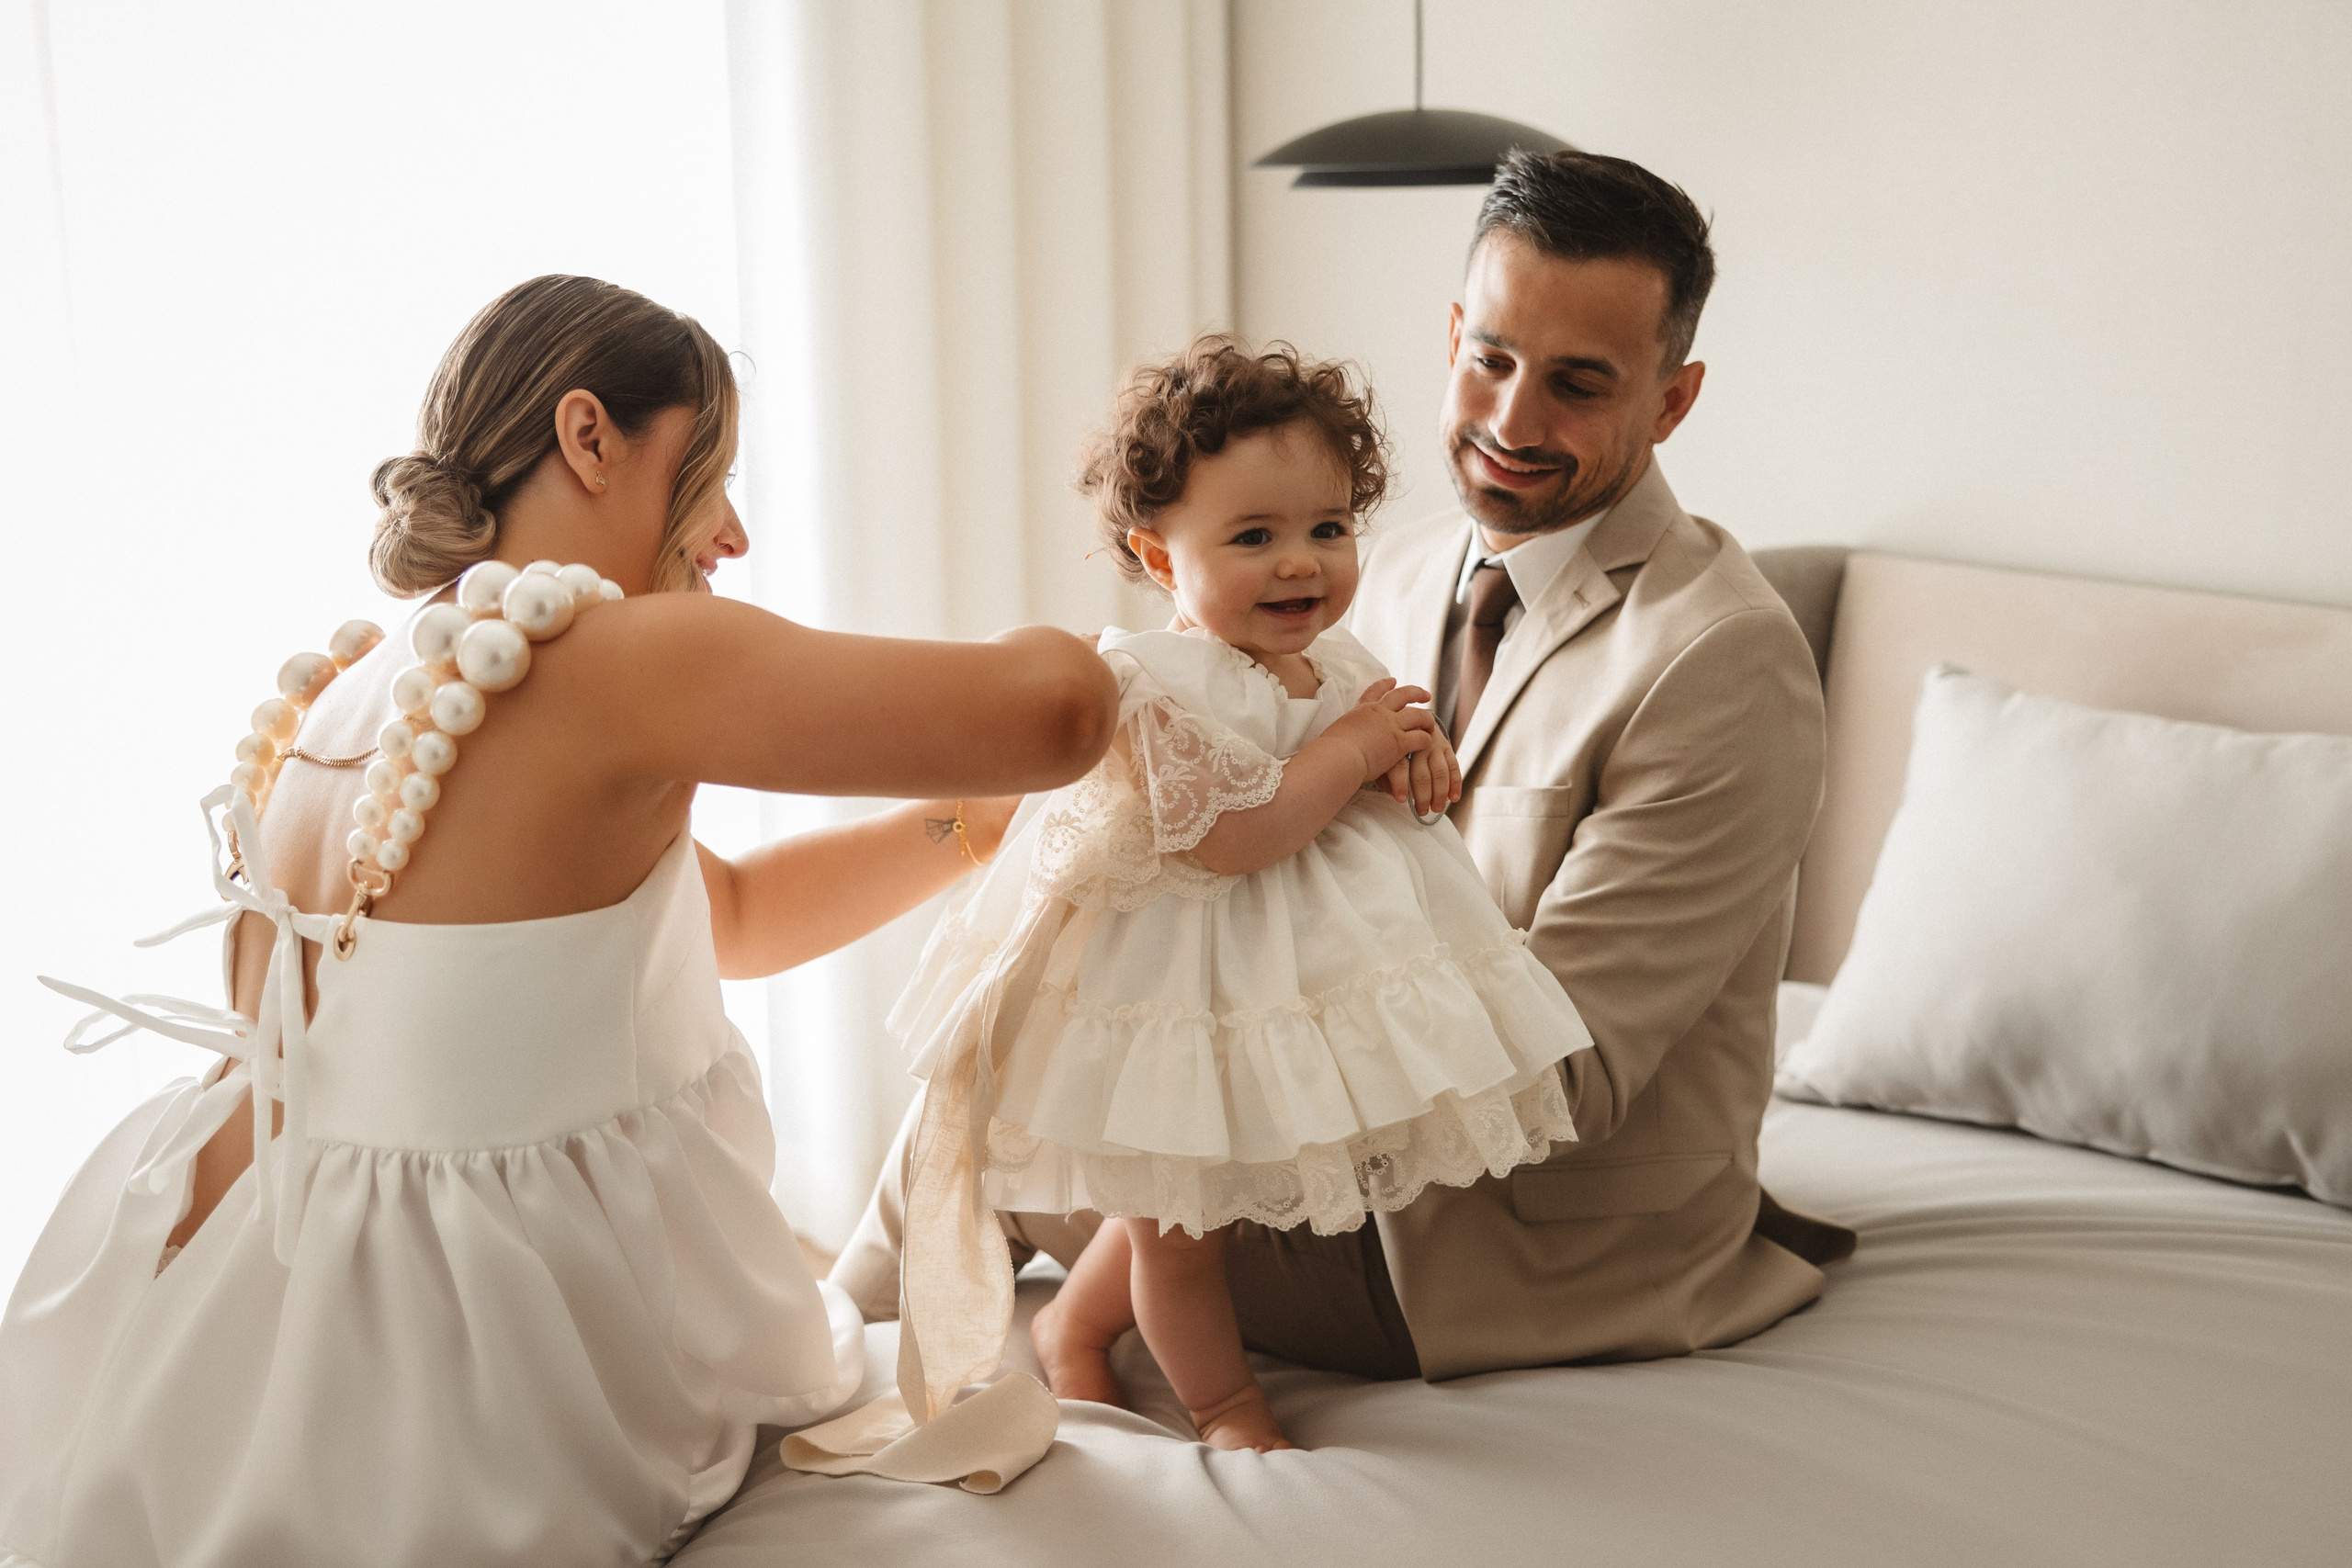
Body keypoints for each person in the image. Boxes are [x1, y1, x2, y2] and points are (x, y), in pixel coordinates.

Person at [0, 275, 1117, 1568]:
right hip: (470, 1369)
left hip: (247, 1335)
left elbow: (731, 915)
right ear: (589, 436)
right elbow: (1059, 713)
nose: (733, 530)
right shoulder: (611, 656)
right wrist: (1128, 633)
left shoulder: (363, 688)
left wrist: (967, 831)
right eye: (708, 467)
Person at [832, 149, 1852, 1392]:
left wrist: (1217, 1054)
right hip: (1367, 1148)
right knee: (1023, 1015)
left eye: (1579, 383)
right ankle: (831, 1334)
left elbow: (1569, 1078)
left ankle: (827, 1345)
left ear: (1674, 398)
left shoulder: (1722, 658)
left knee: (1028, 1100)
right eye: (1490, 357)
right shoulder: (1390, 571)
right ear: (1450, 335)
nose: (1513, 422)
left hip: (1490, 1239)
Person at [846, 339, 1594, 1456]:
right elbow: (1236, 837)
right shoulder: (1148, 685)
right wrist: (1350, 751)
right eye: (1254, 538)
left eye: (1327, 529)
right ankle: (1219, 1404)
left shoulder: (1332, 662)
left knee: (1194, 1198)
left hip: (1279, 978)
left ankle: (1072, 1333)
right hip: (1178, 979)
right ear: (1158, 554)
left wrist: (1410, 754)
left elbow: (1371, 750)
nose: (1302, 565)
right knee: (1181, 1233)